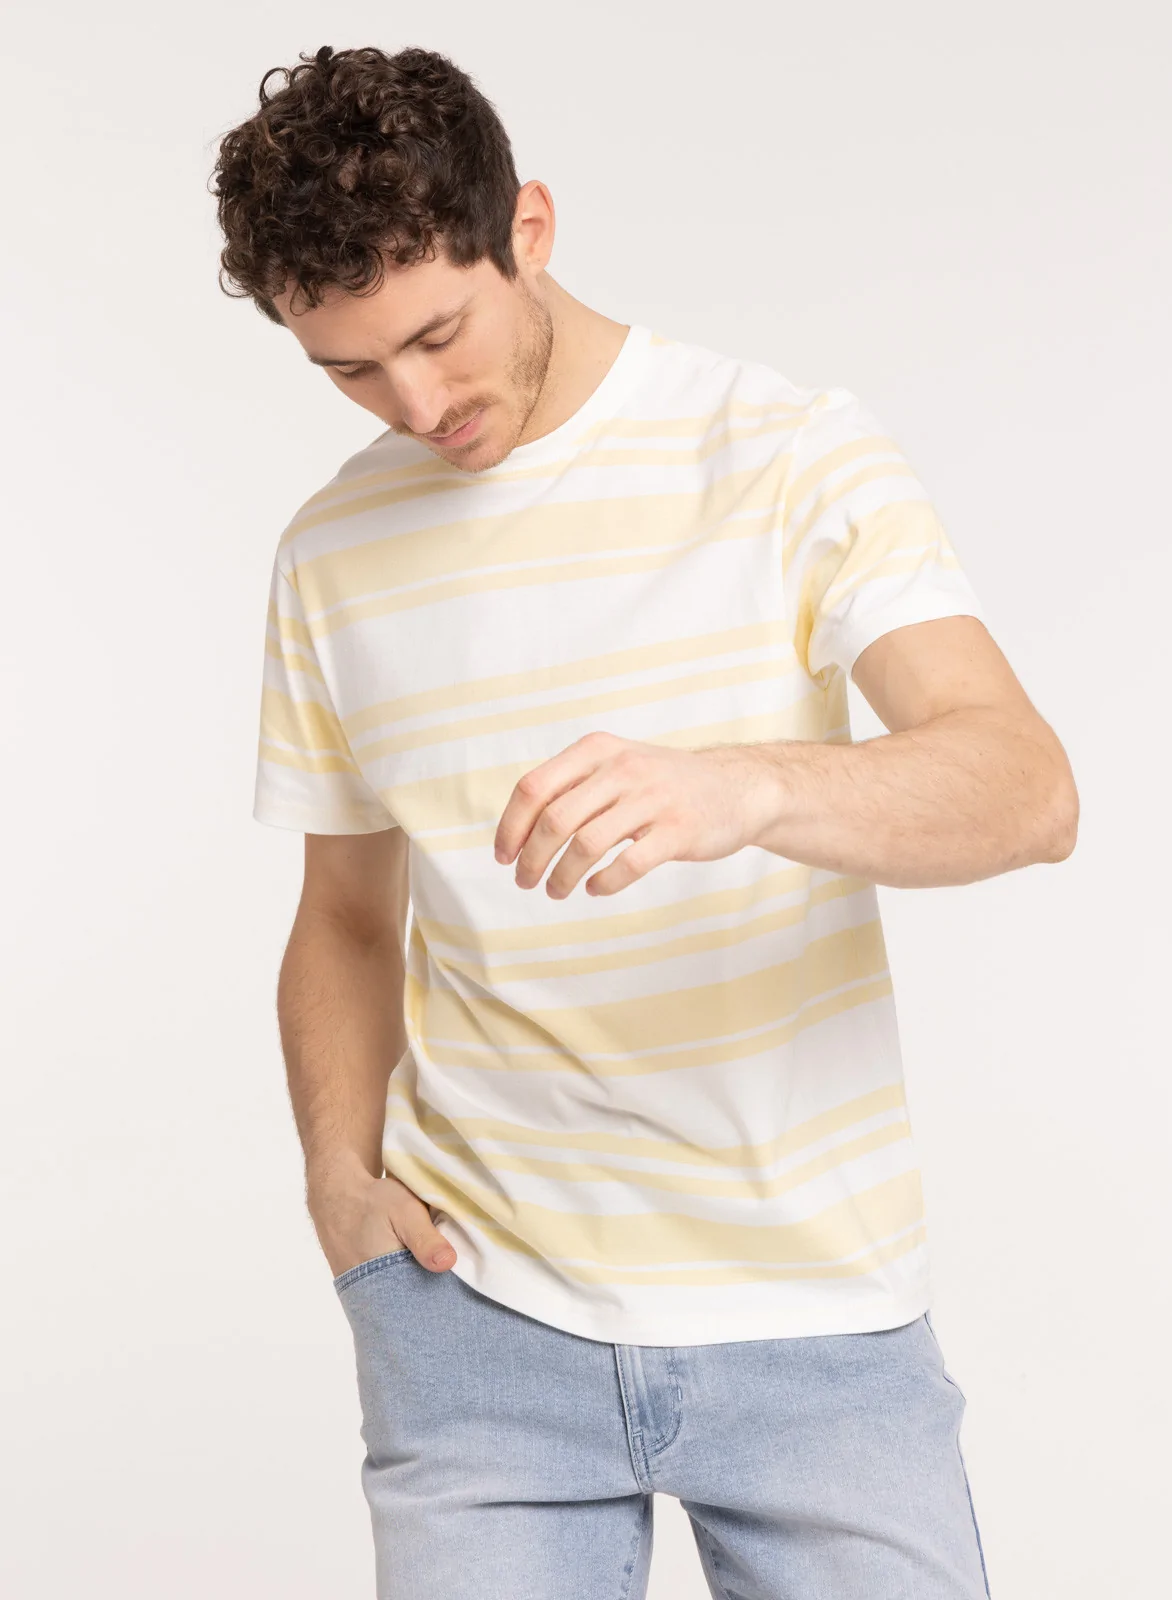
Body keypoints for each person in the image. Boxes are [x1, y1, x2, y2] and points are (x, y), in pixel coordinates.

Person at [211, 42, 1076, 1600]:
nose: (417, 404)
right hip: (475, 1330)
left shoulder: (786, 452)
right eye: (350, 369)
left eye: (438, 335)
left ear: (529, 229)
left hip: (815, 1319)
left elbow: (1025, 787)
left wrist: (749, 786)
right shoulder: (332, 550)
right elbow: (342, 918)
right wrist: (339, 1182)